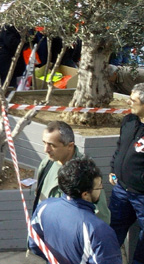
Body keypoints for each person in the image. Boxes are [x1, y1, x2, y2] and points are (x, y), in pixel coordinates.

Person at [30, 158, 121, 264]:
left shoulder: (44, 207)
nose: (101, 189)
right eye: (99, 187)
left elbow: (34, 244)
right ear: (85, 194)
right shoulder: (98, 230)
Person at [32, 121, 110, 223]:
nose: (46, 150)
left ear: (70, 146)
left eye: (52, 145)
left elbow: (102, 216)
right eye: (44, 143)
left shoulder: (85, 172)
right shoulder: (47, 163)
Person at [109, 83, 144, 262]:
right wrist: (113, 169)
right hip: (121, 191)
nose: (128, 103)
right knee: (112, 231)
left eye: (133, 100)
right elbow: (120, 148)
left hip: (141, 196)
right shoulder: (128, 121)